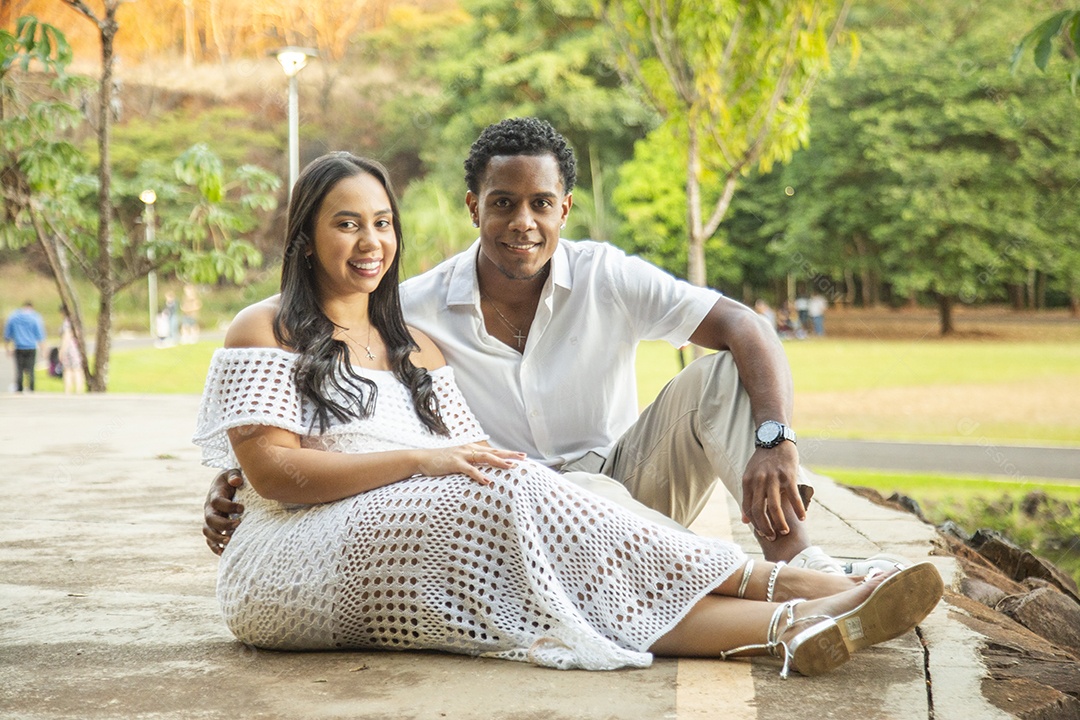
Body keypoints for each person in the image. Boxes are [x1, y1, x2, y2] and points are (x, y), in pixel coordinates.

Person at [193, 151, 943, 673]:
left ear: (564, 209)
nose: (372, 242)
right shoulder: (274, 326)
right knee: (530, 515)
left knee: (548, 554)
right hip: (324, 552)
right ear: (306, 234)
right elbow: (277, 465)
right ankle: (800, 594)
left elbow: (472, 460)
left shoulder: (414, 339)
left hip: (537, 503)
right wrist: (243, 477)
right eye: (347, 223)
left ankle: (797, 614)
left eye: (382, 223)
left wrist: (778, 438)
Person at [4, 301, 46, 392]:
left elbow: (7, 334)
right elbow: (40, 335)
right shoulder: (35, 318)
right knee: (31, 369)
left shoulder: (14, 317)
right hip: (31, 346)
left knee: (19, 369)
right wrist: (43, 349)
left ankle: (20, 388)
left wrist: (7, 347)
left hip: (19, 346)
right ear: (31, 307)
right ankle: (31, 388)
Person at [59, 306, 85, 394]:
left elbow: (66, 337)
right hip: (77, 348)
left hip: (69, 349)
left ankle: (68, 391)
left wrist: (62, 350)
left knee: (68, 370)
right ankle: (78, 390)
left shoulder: (67, 322)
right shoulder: (76, 322)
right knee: (77, 369)